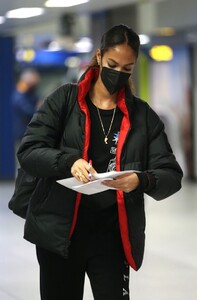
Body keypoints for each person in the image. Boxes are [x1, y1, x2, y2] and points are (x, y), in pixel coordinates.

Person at [17, 24, 183, 300]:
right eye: (112, 64)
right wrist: (69, 162)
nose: (118, 74)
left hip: (112, 237)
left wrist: (141, 180)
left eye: (127, 68)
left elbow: (170, 174)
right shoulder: (64, 101)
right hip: (60, 234)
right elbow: (30, 151)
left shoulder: (142, 116)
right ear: (99, 56)